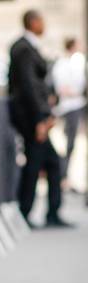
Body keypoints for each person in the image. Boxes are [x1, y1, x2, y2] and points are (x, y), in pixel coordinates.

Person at [8, 9, 74, 228]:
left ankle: (47, 212)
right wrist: (40, 119)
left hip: (35, 118)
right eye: (42, 21)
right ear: (33, 22)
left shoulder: (28, 46)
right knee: (36, 165)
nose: (44, 25)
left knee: (49, 163)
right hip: (31, 120)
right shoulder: (24, 48)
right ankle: (26, 213)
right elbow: (28, 87)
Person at [52, 37, 86, 188]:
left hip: (76, 104)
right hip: (68, 106)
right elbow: (63, 87)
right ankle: (63, 175)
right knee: (68, 142)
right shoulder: (64, 64)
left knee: (72, 144)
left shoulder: (77, 62)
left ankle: (65, 174)